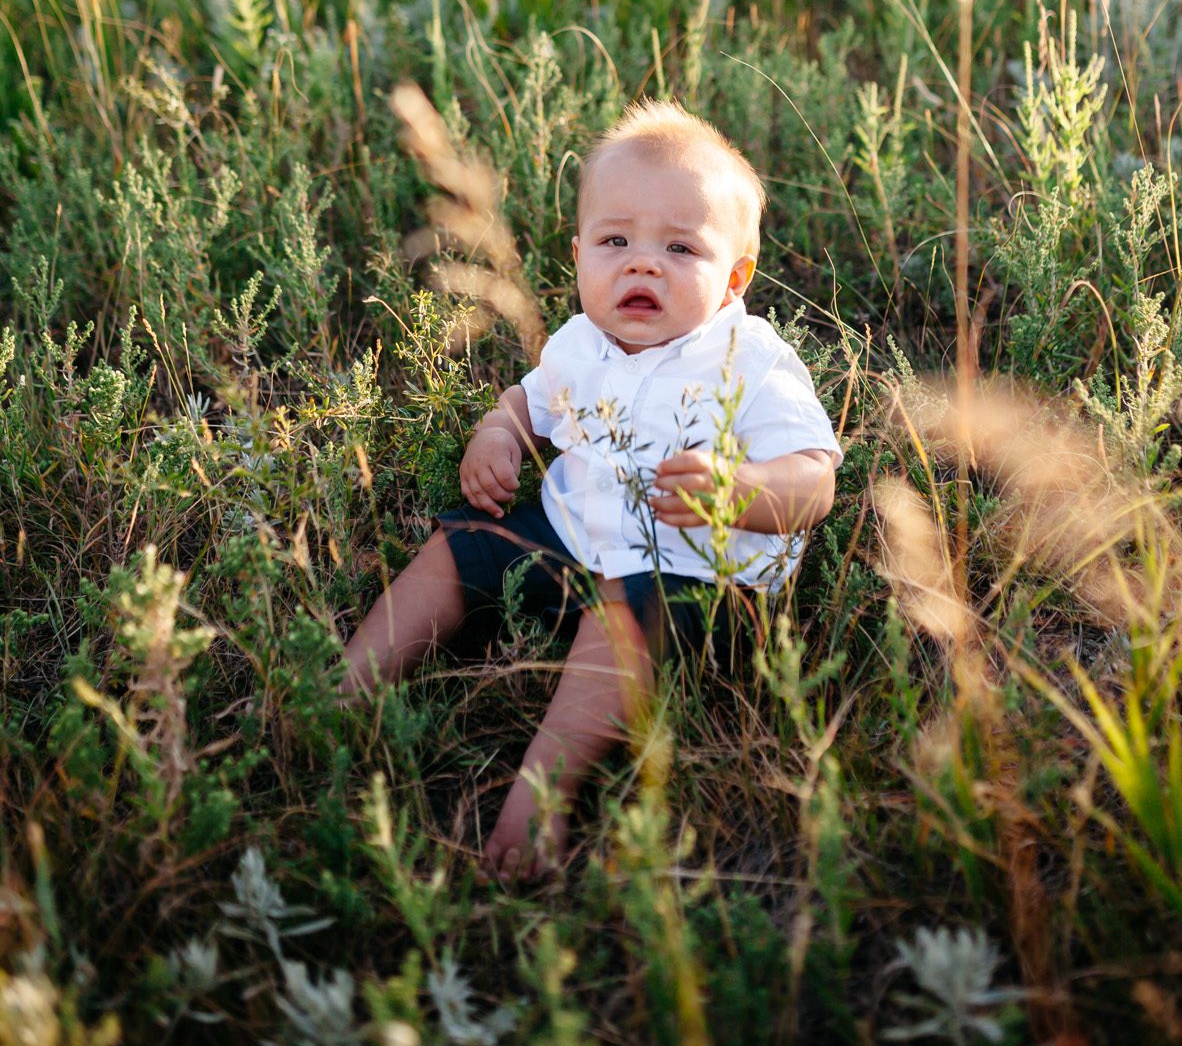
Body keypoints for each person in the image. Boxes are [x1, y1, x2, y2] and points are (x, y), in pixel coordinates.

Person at [340, 99, 841, 876]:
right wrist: (498, 433)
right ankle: (340, 696)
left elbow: (813, 482)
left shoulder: (751, 361)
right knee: (459, 550)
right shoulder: (579, 343)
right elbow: (526, 401)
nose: (642, 264)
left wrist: (739, 489)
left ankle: (541, 795)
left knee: (618, 621)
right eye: (615, 241)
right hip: (573, 534)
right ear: (579, 256)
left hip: (690, 578)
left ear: (734, 277)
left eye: (680, 247)